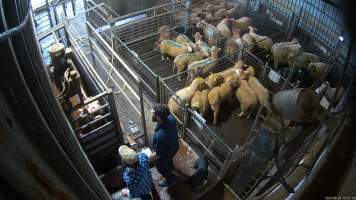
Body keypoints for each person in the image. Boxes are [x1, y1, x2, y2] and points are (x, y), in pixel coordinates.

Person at [151, 104, 179, 187]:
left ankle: (170, 180)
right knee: (168, 160)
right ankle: (170, 168)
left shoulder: (160, 135)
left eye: (153, 113)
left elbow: (158, 153)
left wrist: (148, 158)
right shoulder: (171, 118)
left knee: (160, 166)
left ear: (158, 117)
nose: (151, 115)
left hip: (166, 151)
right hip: (174, 146)